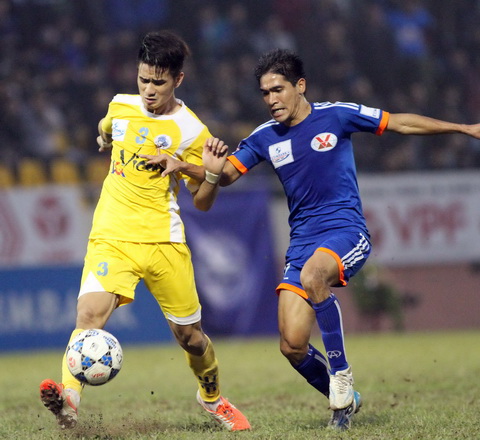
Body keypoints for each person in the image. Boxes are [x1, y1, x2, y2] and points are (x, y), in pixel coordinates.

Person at [142, 48, 480, 431]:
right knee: (292, 345)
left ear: (300, 86)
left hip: (346, 231)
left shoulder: (336, 115)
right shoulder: (264, 137)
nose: (271, 99)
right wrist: (186, 166)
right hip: (302, 242)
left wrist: (464, 129)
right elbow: (228, 174)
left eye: (278, 89)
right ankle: (347, 401)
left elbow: (400, 123)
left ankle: (341, 376)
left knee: (314, 276)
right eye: (265, 93)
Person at [39, 30, 251, 432]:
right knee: (88, 316)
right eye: (143, 80)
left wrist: (206, 173)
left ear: (178, 79)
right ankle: (69, 401)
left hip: (164, 240)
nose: (149, 90)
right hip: (112, 234)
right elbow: (106, 128)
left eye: (159, 82)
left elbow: (203, 201)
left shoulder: (192, 131)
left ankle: (212, 399)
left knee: (191, 338)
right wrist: (104, 138)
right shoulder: (120, 105)